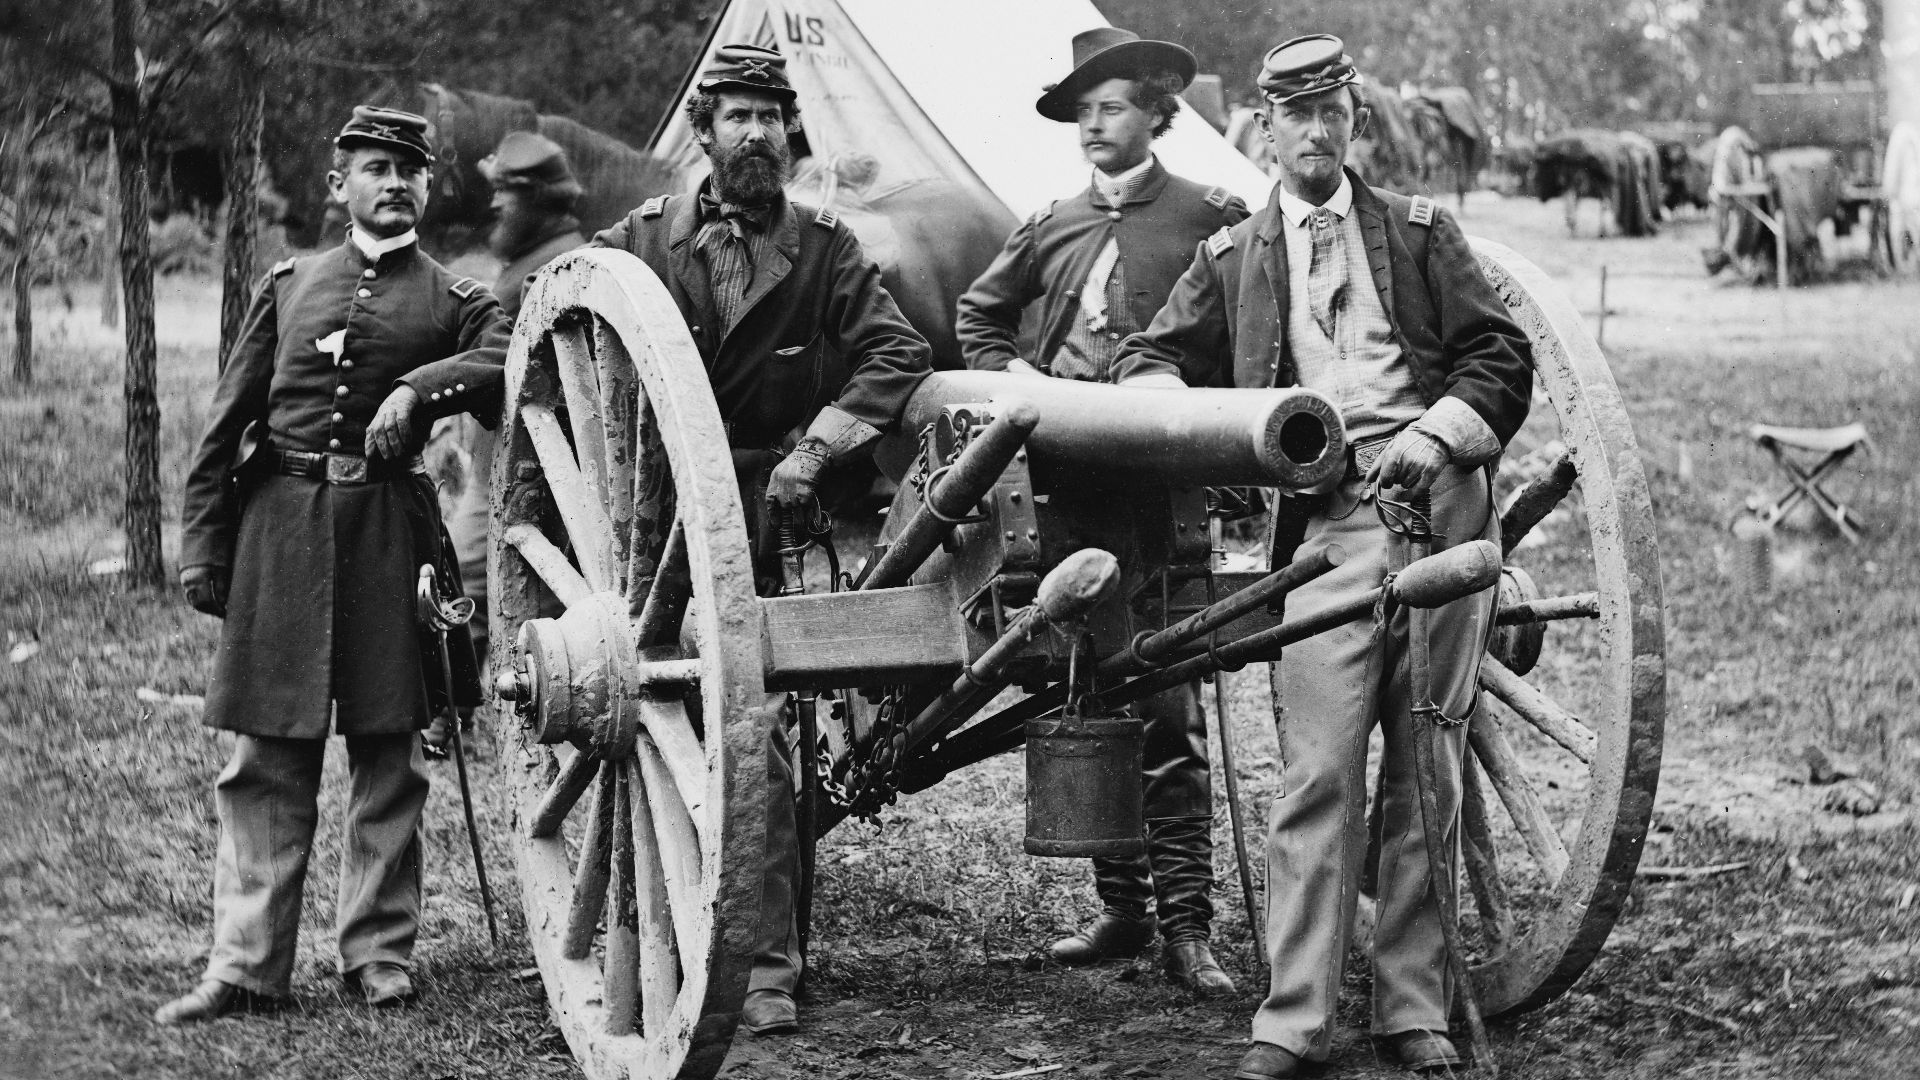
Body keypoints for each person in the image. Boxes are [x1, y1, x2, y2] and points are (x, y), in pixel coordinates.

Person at [1111, 36, 1533, 1078]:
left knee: (1427, 762)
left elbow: (1499, 354)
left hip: (1442, 510)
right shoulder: (1234, 261)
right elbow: (1150, 359)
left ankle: (1409, 1010)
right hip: (1328, 537)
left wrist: (1439, 434)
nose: (1313, 132)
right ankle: (1294, 1018)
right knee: (1317, 771)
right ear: (1262, 126)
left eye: (1330, 112)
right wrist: (1196, 421)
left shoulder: (1422, 235)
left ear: (1353, 121)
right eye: (1292, 115)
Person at [590, 43, 931, 1037]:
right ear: (703, 131)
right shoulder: (644, 242)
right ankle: (661, 938)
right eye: (734, 115)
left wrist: (816, 452)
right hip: (655, 525)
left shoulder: (825, 250)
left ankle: (766, 966)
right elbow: (576, 314)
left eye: (768, 117)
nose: (752, 134)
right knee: (654, 729)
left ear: (790, 135)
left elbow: (896, 352)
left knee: (760, 742)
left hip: (771, 514)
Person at [158, 106, 510, 1024]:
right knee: (264, 757)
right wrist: (206, 548)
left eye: (409, 170)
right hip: (279, 533)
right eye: (374, 167)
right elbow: (226, 421)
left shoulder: (454, 298)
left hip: (389, 534)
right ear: (338, 184)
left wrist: (417, 387)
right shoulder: (289, 283)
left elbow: (507, 357)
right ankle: (245, 965)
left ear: (430, 187)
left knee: (390, 755)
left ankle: (379, 955)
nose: (393, 183)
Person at [954, 26, 1247, 998]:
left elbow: (1248, 336)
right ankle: (1122, 909)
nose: (1093, 125)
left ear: (1159, 113)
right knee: (1093, 694)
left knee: (1169, 709)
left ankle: (1188, 929)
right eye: (1081, 112)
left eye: (1111, 106)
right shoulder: (1046, 225)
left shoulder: (1211, 216)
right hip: (1073, 504)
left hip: (1166, 502)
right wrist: (1022, 388)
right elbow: (978, 321)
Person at [435, 131, 587, 694]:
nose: (494, 203)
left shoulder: (554, 268)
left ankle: (448, 713)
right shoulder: (529, 261)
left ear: (543, 201)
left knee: (464, 574)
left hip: (528, 471)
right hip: (501, 460)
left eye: (508, 192)